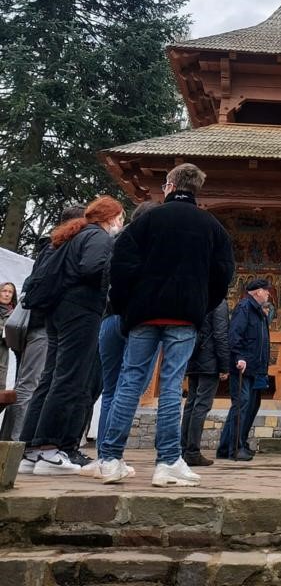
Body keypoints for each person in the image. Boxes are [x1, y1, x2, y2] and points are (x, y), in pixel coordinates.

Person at [99, 163, 234, 487]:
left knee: (130, 382)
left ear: (170, 185)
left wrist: (126, 305)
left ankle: (110, 458)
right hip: (184, 315)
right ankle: (167, 462)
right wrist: (202, 305)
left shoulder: (147, 220)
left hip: (144, 313)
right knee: (173, 385)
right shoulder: (211, 226)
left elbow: (121, 263)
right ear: (196, 189)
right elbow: (223, 273)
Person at [19, 196, 124, 476]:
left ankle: (30, 448)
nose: (120, 224)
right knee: (71, 377)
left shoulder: (71, 236)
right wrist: (112, 279)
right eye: (120, 218)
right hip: (81, 310)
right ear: (110, 217)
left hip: (56, 312)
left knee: (51, 376)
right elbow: (92, 268)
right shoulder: (99, 237)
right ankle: (51, 449)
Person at [81, 200, 161, 478]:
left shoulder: (117, 240)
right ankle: (113, 455)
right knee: (131, 388)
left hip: (108, 318)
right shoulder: (153, 245)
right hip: (138, 321)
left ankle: (105, 455)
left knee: (112, 390)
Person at [0, 207, 85, 443]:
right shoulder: (55, 248)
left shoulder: (49, 248)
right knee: (30, 383)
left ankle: (9, 438)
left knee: (27, 382)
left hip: (33, 325)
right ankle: (18, 441)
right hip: (40, 325)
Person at [216, 278, 271, 461]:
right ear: (257, 292)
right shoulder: (245, 308)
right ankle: (235, 448)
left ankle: (227, 447)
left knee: (248, 405)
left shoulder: (258, 312)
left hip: (255, 368)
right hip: (243, 366)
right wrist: (239, 356)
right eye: (266, 290)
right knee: (241, 405)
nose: (268, 293)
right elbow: (235, 334)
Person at [181, 299, 229, 466]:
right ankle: (192, 451)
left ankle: (183, 449)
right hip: (210, 361)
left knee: (191, 403)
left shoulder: (199, 299)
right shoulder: (218, 303)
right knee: (201, 405)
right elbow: (220, 334)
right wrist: (224, 365)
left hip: (193, 356)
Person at [0, 282, 18, 389]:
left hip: (2, 360)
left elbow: (13, 339)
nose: (7, 294)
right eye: (4, 291)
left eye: (10, 292)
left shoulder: (15, 314)